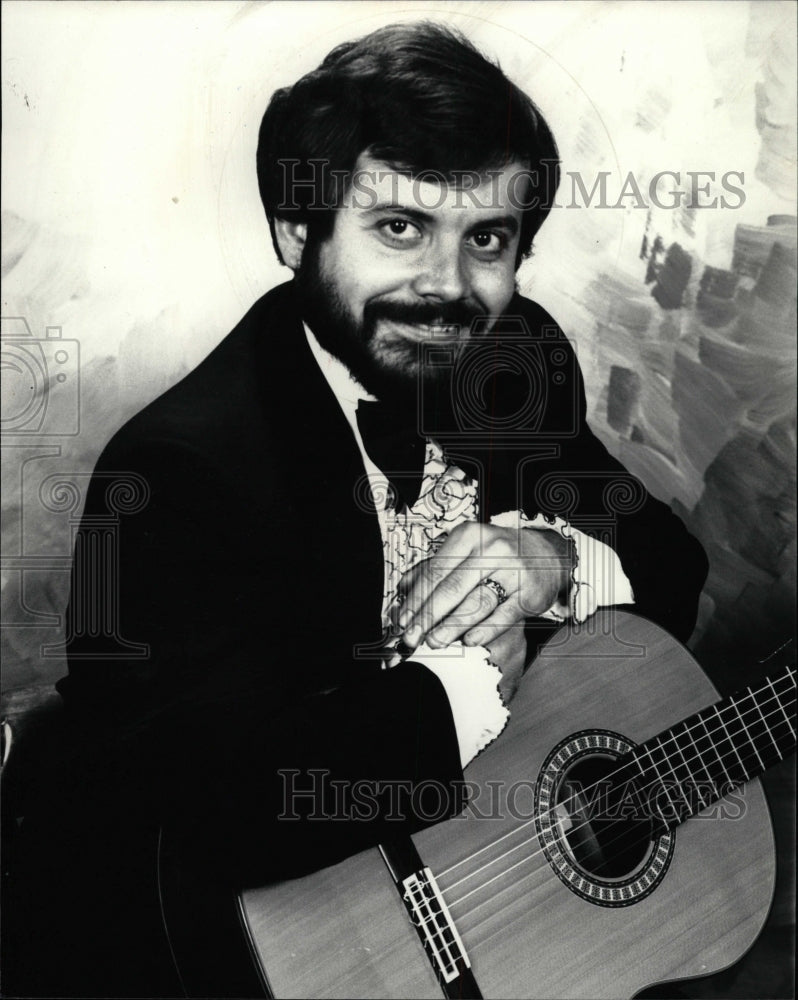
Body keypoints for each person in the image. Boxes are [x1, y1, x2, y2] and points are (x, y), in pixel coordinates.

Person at [9, 22, 708, 998]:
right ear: (298, 229)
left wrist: (548, 556)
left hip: (481, 884)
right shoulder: (182, 467)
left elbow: (671, 570)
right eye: (399, 228)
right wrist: (468, 687)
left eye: (487, 240)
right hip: (200, 943)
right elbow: (221, 814)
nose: (448, 288)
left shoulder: (513, 361)